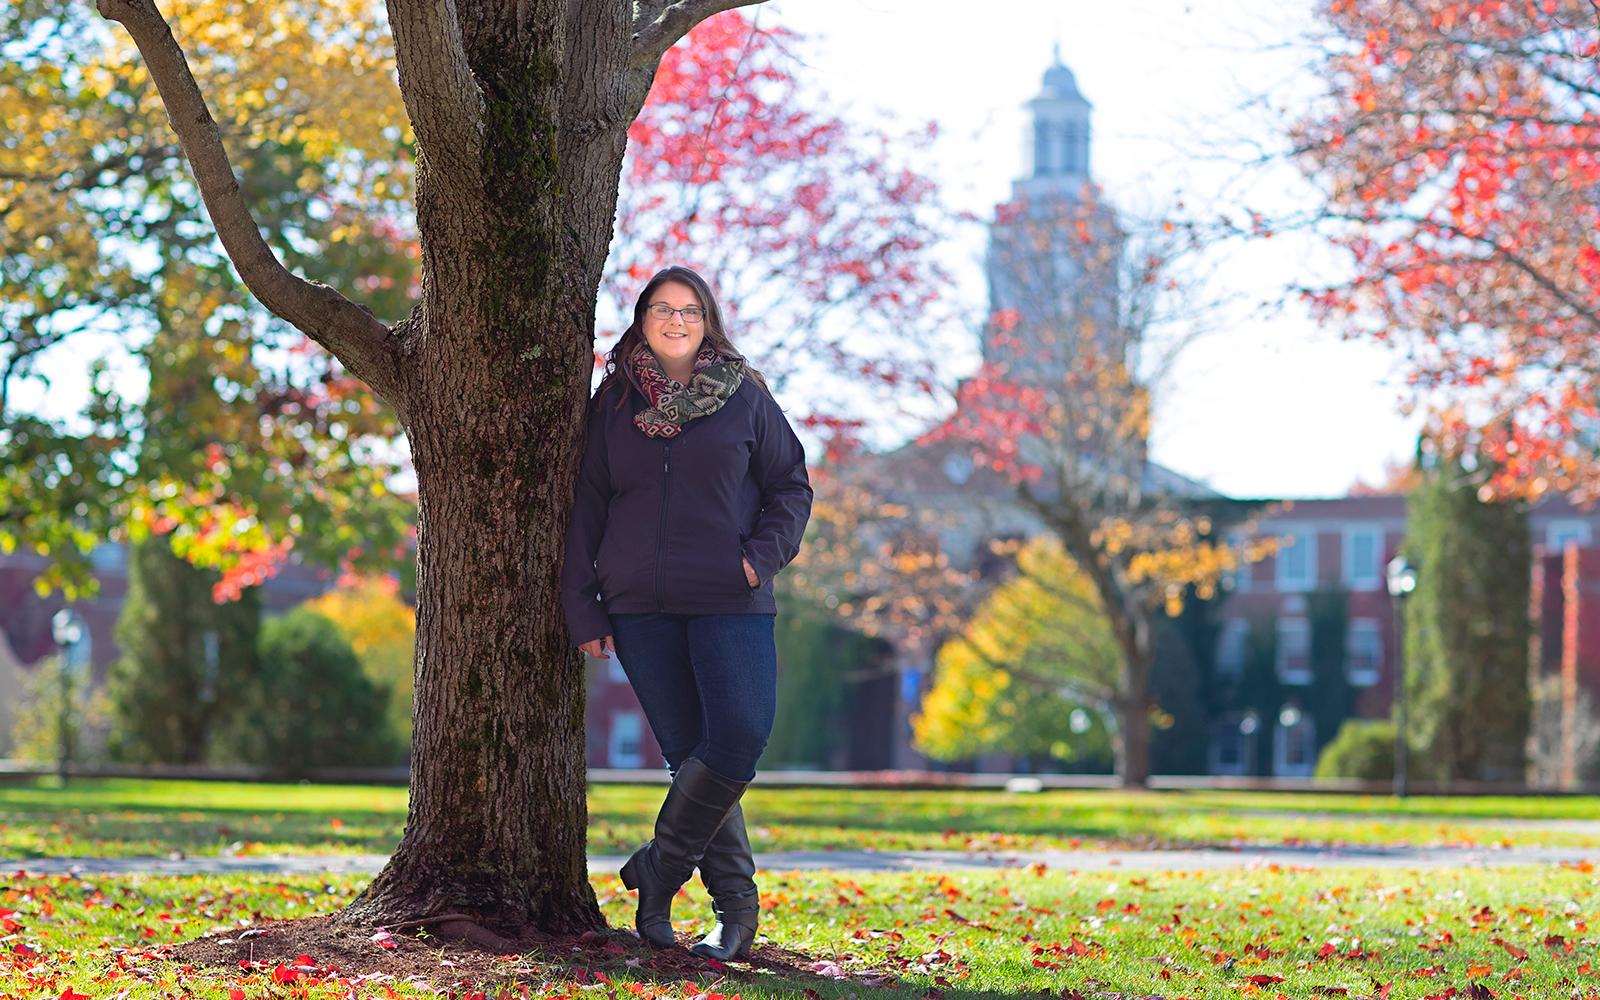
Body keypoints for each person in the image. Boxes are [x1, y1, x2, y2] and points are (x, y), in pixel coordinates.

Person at [560, 265, 813, 960]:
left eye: (691, 310)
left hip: (730, 597)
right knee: (689, 756)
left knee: (737, 737)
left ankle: (658, 871)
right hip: (639, 605)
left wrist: (757, 559)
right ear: (641, 319)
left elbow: (790, 485)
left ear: (708, 322)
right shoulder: (612, 403)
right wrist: (583, 606)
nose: (677, 320)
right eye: (663, 308)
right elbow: (586, 506)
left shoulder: (746, 398)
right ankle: (736, 910)